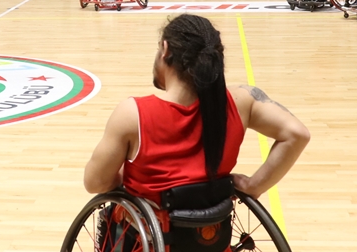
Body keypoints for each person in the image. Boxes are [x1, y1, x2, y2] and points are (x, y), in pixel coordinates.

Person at [82, 14, 310, 202]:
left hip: (149, 241)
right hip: (211, 237)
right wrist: (254, 185)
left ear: (165, 50)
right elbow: (297, 134)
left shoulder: (132, 114)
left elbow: (95, 182)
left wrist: (130, 177)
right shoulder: (242, 100)